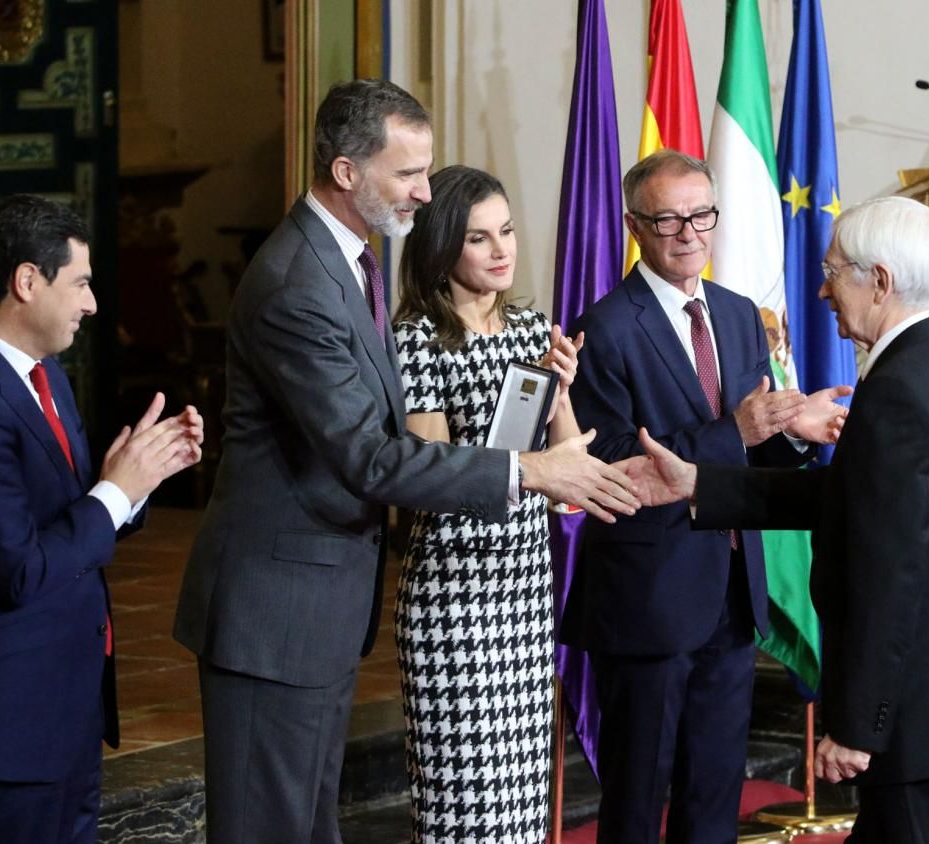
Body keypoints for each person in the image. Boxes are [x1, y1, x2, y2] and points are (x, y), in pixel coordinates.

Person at [171, 80, 639, 844]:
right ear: (348, 172)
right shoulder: (298, 283)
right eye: (408, 173)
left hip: (315, 606)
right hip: (275, 610)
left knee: (306, 826)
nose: (426, 192)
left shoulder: (347, 263)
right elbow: (368, 456)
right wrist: (528, 471)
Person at [618, 196, 929, 844]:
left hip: (917, 706)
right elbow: (851, 499)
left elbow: (891, 572)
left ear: (881, 281)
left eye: (835, 270)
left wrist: (860, 724)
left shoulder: (900, 389)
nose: (822, 288)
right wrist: (701, 483)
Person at [561, 149, 849, 844]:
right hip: (647, 599)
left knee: (713, 801)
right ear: (635, 226)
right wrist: (734, 431)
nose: (690, 232)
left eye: (702, 214)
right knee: (635, 803)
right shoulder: (605, 328)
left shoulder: (741, 314)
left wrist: (796, 433)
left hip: (731, 591)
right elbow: (609, 469)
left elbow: (754, 451)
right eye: (669, 219)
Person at [0, 194, 204, 844]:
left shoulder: (45, 375)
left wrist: (136, 482)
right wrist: (114, 490)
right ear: (28, 281)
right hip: (12, 723)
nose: (93, 305)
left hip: (64, 704)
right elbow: (19, 570)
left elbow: (71, 518)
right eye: (81, 283)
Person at [391, 165, 581, 842]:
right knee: (462, 813)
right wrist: (529, 470)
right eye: (480, 238)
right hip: (455, 595)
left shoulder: (532, 329)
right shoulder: (416, 337)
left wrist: (562, 392)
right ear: (443, 245)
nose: (503, 250)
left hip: (523, 588)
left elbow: (570, 469)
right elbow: (431, 478)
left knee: (522, 811)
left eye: (506, 231)